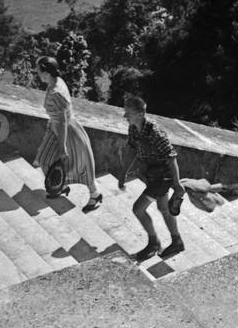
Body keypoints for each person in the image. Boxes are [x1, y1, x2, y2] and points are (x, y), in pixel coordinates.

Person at [118, 94, 186, 261]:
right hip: (152, 174)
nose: (125, 116)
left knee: (138, 209)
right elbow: (132, 149)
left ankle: (154, 242)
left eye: (129, 113)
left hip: (162, 176)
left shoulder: (155, 132)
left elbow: (171, 156)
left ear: (140, 114)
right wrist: (123, 173)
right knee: (164, 209)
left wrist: (177, 184)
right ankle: (177, 241)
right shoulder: (134, 128)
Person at [33, 56, 102, 213]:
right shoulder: (54, 82)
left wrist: (63, 145)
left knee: (80, 163)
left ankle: (94, 194)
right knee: (45, 158)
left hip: (66, 132)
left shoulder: (56, 92)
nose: (37, 73)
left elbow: (63, 121)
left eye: (38, 70)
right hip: (55, 128)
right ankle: (61, 186)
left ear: (46, 73)